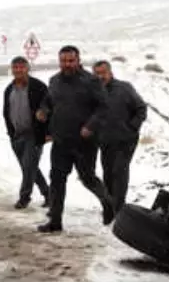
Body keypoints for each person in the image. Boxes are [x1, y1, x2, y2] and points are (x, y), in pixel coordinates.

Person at [34, 45, 114, 233]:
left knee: (87, 178)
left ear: (78, 60)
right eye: (63, 61)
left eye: (71, 60)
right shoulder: (54, 81)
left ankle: (108, 204)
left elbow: (103, 107)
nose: (67, 64)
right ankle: (55, 221)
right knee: (56, 179)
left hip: (84, 142)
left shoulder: (91, 81)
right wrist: (43, 111)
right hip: (61, 140)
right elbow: (48, 101)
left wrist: (90, 126)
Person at [92, 60, 147, 213]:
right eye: (97, 74)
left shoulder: (124, 88)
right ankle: (110, 205)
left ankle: (119, 208)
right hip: (105, 141)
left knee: (119, 171)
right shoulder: (93, 92)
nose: (100, 76)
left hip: (125, 140)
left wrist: (132, 127)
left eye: (103, 73)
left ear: (110, 72)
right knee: (108, 173)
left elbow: (141, 108)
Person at [2, 56, 51, 209]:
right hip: (17, 135)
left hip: (34, 134)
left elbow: (50, 107)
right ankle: (49, 194)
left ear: (28, 68)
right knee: (30, 168)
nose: (18, 70)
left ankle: (24, 198)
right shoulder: (9, 89)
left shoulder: (38, 87)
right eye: (15, 67)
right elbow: (6, 111)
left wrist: (48, 132)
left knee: (29, 167)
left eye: (21, 67)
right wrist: (11, 132)